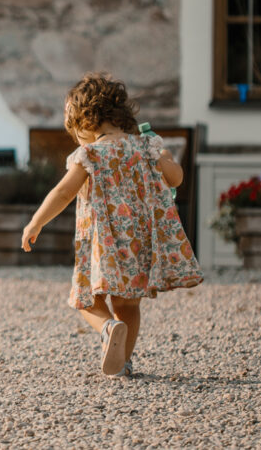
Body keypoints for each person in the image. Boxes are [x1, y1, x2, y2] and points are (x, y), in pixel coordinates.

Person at [21, 72, 203, 377]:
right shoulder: (147, 146)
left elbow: (63, 193)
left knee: (85, 300)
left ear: (86, 121)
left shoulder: (89, 154)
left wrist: (35, 223)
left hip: (103, 242)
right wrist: (166, 156)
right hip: (139, 242)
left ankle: (107, 328)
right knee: (128, 305)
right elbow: (176, 179)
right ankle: (123, 363)